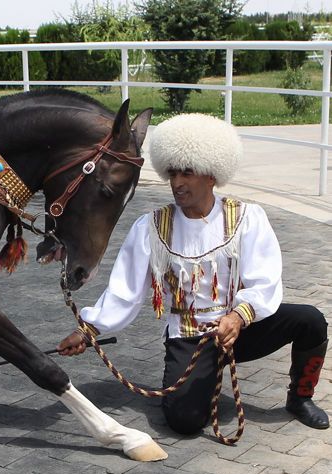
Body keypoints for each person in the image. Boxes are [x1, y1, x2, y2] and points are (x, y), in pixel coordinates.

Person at [56, 113, 329, 434]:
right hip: (190, 336)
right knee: (184, 421)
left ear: (211, 174)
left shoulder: (247, 218)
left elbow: (264, 279)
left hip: (241, 328)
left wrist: (239, 317)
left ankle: (300, 398)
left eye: (188, 173)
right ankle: (204, 372)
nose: (177, 182)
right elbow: (124, 291)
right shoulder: (151, 227)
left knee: (311, 320)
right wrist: (88, 330)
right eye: (173, 173)